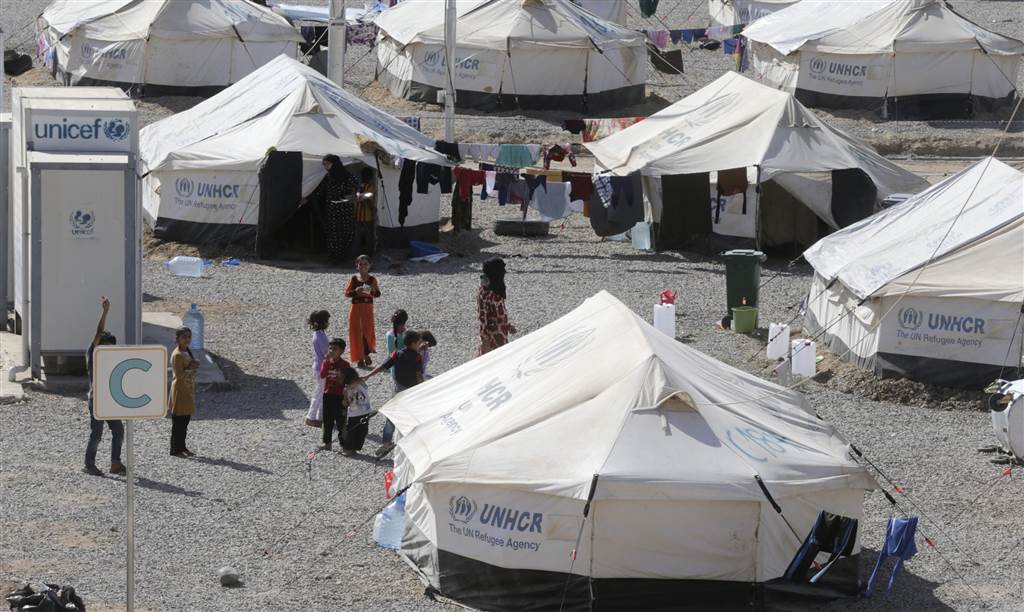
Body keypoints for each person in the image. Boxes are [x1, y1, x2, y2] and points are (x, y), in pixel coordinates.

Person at [365, 329, 426, 458]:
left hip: (397, 390)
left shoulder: (397, 354)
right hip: (411, 393)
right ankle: (412, 446)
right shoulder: (417, 357)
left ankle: (386, 442)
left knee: (391, 417)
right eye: (419, 342)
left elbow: (383, 366)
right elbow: (419, 375)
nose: (420, 344)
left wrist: (368, 375)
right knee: (412, 418)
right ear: (413, 343)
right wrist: (424, 390)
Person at [83, 296, 126, 476]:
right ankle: (89, 464)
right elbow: (99, 332)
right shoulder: (94, 354)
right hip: (97, 400)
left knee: (118, 430)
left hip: (109, 400)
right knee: (97, 433)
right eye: (105, 346)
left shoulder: (111, 360)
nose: (107, 350)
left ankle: (115, 463)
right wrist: (105, 312)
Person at [345, 254, 381, 368]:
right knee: (356, 333)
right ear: (357, 265)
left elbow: (377, 294)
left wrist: (370, 290)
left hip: (367, 309)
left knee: (367, 332)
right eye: (361, 264)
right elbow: (347, 293)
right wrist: (356, 291)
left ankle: (365, 354)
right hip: (355, 309)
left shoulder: (372, 279)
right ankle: (360, 358)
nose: (363, 266)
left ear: (369, 265)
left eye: (365, 264)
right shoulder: (354, 279)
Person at [321, 154, 359, 261]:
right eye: (324, 164)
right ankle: (335, 257)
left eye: (327, 164)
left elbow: (358, 186)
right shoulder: (328, 177)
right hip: (332, 210)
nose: (326, 167)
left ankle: (343, 256)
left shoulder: (347, 176)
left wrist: (352, 197)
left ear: (335, 164)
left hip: (345, 209)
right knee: (333, 233)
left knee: (346, 232)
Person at [169, 326, 199, 457]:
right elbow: (179, 375)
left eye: (189, 337)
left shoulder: (187, 351)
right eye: (184, 337)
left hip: (187, 390)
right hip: (180, 390)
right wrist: (191, 367)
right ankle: (175, 449)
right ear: (177, 339)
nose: (187, 339)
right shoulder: (177, 355)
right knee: (178, 423)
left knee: (185, 421)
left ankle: (182, 447)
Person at [477, 257, 515, 355]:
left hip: (501, 332)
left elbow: (499, 312)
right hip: (492, 336)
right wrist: (484, 339)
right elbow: (482, 316)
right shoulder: (486, 292)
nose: (504, 272)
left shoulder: (497, 287)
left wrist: (507, 325)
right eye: (502, 269)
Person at [319, 338, 348, 451]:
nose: (331, 351)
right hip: (328, 395)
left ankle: (344, 445)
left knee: (341, 421)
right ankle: (327, 443)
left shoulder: (344, 365)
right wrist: (326, 362)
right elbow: (322, 375)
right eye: (330, 348)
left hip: (339, 396)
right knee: (327, 420)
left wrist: (346, 398)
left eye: (335, 349)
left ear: (341, 351)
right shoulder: (326, 362)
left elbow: (347, 381)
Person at [305, 310, 330, 428]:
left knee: (322, 393)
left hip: (318, 366)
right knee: (319, 394)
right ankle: (310, 417)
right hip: (322, 368)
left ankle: (320, 417)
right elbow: (327, 353)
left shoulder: (317, 334)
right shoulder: (321, 337)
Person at [340, 367, 372, 456]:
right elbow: (346, 402)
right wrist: (344, 400)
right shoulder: (346, 388)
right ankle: (349, 448)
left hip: (365, 411)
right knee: (351, 431)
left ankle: (355, 448)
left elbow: (356, 383)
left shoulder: (360, 382)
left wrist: (347, 389)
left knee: (362, 431)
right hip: (353, 413)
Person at [352, 167, 376, 257]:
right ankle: (368, 255)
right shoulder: (370, 187)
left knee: (358, 237)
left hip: (359, 216)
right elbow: (368, 201)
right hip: (366, 216)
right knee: (367, 237)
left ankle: (357, 255)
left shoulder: (358, 186)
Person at [385, 309, 409, 378]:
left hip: (397, 368)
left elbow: (391, 353)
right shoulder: (406, 333)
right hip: (403, 368)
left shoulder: (390, 335)